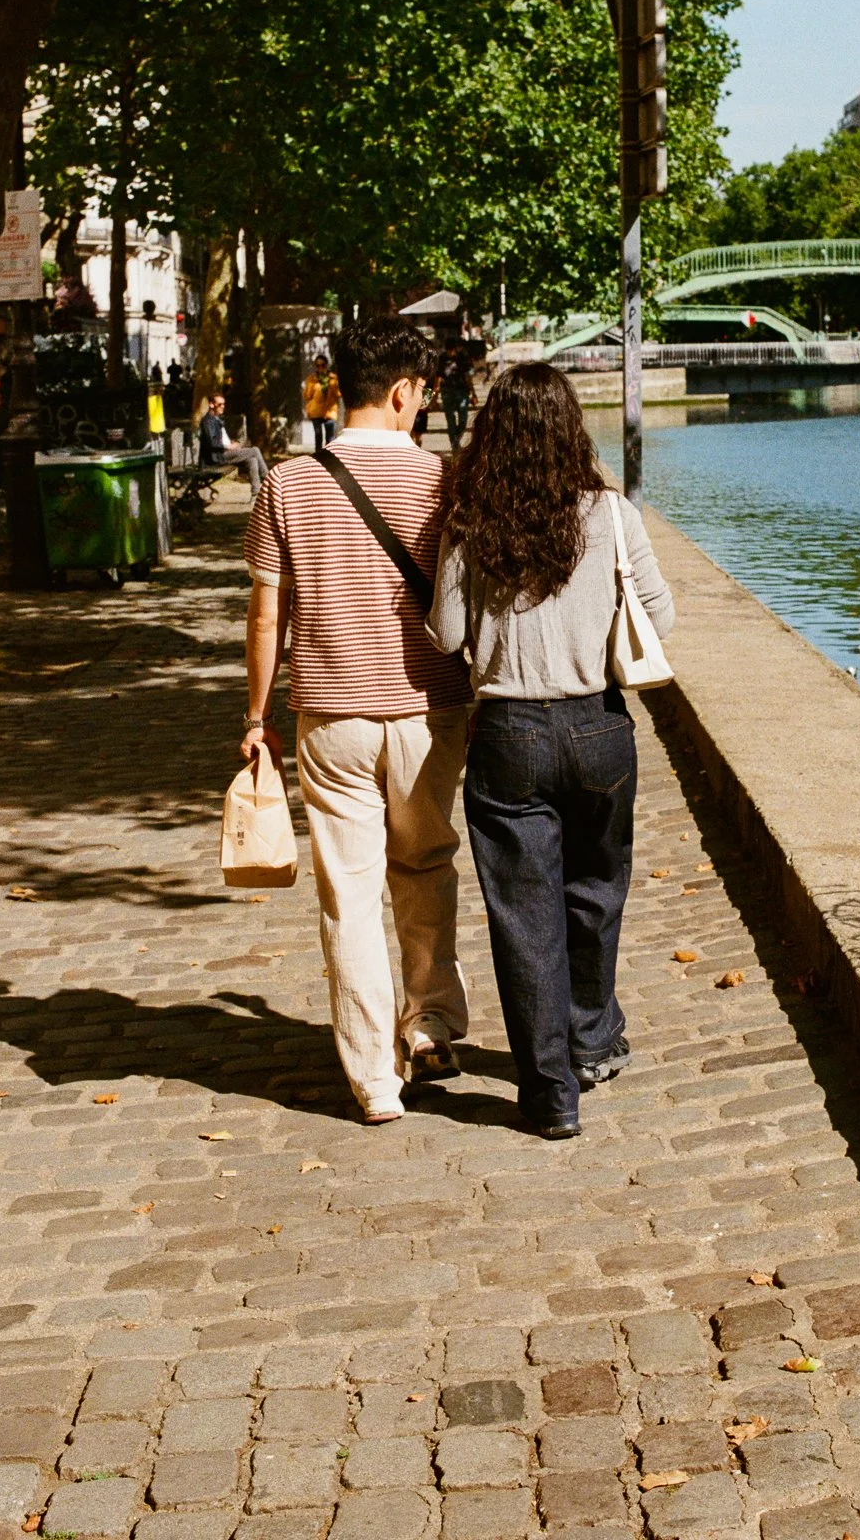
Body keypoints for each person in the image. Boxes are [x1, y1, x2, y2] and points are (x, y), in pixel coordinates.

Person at [428, 362, 674, 1140]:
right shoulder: (611, 513)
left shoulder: (470, 522)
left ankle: (548, 1094)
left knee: (524, 914)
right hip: (600, 726)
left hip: (509, 732)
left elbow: (446, 633)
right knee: (597, 891)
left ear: (492, 435)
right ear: (571, 430)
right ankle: (593, 1041)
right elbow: (661, 616)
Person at [242, 317, 471, 1123]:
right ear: (404, 391)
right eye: (423, 392)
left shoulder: (288, 483)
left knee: (349, 891)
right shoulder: (444, 481)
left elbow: (267, 614)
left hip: (332, 712)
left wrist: (256, 716)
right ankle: (431, 1021)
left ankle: (374, 1075)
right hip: (431, 708)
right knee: (426, 863)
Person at [198, 392, 268, 498]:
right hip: (215, 458)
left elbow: (220, 439)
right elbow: (212, 442)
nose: (223, 407)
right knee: (254, 450)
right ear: (211, 405)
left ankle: (256, 493)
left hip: (223, 453)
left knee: (252, 459)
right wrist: (228, 446)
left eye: (224, 404)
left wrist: (232, 443)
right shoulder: (208, 421)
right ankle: (268, 479)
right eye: (220, 404)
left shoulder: (216, 419)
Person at [436, 344, 478, 451]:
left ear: (455, 349)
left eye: (452, 350)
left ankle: (456, 441)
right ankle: (454, 446)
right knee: (451, 420)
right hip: (447, 393)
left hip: (462, 392)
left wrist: (473, 393)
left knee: (463, 420)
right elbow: (438, 377)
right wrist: (435, 396)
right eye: (448, 350)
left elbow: (468, 377)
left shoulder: (462, 359)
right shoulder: (441, 359)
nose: (450, 352)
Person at [303, 354, 340, 451]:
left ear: (326, 365)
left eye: (322, 365)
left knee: (330, 437)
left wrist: (331, 385)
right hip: (316, 411)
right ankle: (318, 457)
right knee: (318, 435)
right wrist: (313, 385)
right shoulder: (311, 379)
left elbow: (338, 394)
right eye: (318, 365)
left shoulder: (333, 378)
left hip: (330, 411)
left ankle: (330, 457)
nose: (320, 368)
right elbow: (307, 396)